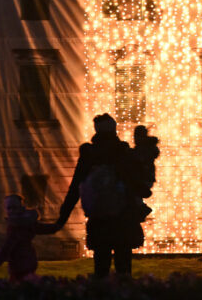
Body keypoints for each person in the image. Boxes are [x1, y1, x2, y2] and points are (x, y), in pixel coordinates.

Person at [56, 113, 151, 277]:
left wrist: (62, 218)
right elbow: (139, 185)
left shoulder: (89, 155)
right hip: (123, 218)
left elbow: (75, 188)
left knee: (101, 265)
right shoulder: (123, 153)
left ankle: (101, 292)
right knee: (123, 265)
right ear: (114, 130)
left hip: (99, 219)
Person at [0, 194, 59, 281]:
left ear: (21, 207)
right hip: (29, 259)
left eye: (14, 207)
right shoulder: (27, 222)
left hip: (18, 262)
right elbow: (41, 228)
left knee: (19, 284)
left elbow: (8, 244)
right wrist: (56, 227)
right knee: (28, 282)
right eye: (9, 208)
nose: (12, 211)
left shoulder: (16, 225)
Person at [131, 125, 160, 222]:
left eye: (136, 136)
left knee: (134, 193)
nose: (134, 138)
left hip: (144, 178)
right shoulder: (147, 147)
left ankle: (141, 209)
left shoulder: (143, 149)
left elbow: (139, 159)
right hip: (146, 178)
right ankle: (141, 209)